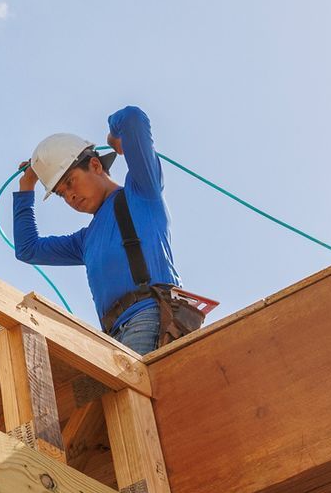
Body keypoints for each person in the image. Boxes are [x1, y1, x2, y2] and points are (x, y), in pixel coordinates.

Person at [12, 106, 195, 354]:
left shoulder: (142, 193)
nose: (70, 196)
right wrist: (26, 188)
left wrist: (115, 137)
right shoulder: (85, 241)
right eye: (61, 194)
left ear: (96, 165)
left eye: (70, 182)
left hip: (149, 316)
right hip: (110, 336)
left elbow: (132, 117)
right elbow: (28, 249)